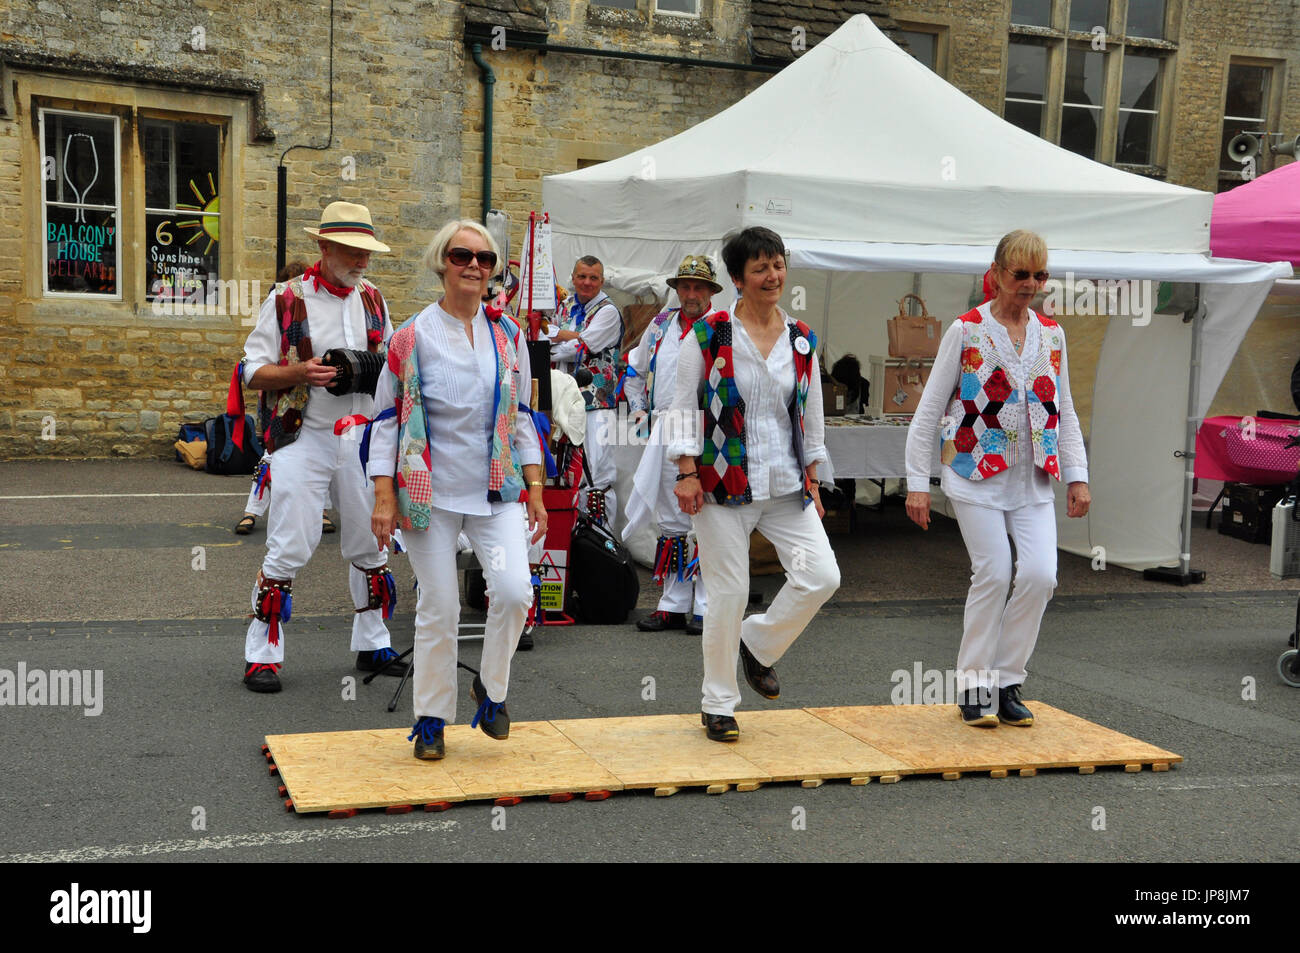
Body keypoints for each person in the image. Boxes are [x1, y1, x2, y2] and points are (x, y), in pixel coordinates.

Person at [368, 219, 547, 761]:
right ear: (441, 262)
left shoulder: (508, 335)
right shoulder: (409, 336)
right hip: (428, 495)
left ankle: (490, 692)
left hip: (495, 491)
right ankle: (431, 719)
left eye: (486, 259)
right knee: (441, 608)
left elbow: (520, 419)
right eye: (462, 255)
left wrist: (535, 486)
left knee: (516, 592)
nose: (474, 265)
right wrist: (383, 495)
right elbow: (384, 421)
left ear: (495, 270)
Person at [904, 229, 1090, 727]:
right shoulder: (965, 330)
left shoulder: (1053, 335)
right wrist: (917, 482)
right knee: (993, 572)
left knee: (1039, 575)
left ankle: (1008, 680)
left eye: (1039, 275)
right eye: (1020, 274)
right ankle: (973, 685)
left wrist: (1077, 475)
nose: (1030, 284)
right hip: (973, 475)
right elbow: (927, 411)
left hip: (1031, 480)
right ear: (997, 274)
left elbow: (1064, 408)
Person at [668, 227, 841, 742]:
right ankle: (718, 704)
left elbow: (809, 411)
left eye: (779, 264)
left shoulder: (802, 337)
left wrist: (813, 473)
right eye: (761, 267)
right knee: (729, 592)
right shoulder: (707, 334)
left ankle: (756, 644)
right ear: (739, 278)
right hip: (721, 482)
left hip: (786, 483)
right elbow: (681, 408)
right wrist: (685, 471)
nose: (773, 276)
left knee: (822, 577)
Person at [238, 201, 404, 693]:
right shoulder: (287, 298)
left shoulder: (373, 298)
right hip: (302, 435)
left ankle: (373, 640)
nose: (361, 262)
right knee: (291, 542)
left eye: (366, 253)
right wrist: (298, 372)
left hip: (361, 438)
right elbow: (251, 371)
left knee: (372, 542)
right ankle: (262, 653)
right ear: (324, 246)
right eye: (352, 252)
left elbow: (393, 367)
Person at [624, 254, 722, 635]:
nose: (692, 293)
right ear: (677, 290)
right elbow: (635, 368)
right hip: (666, 429)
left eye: (699, 287)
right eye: (685, 286)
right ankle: (672, 604)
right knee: (671, 517)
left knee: (706, 518)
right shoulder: (661, 324)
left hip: (708, 431)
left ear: (712, 291)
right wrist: (639, 413)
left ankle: (705, 607)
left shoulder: (721, 327)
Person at [234, 260, 338, 537]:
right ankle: (251, 512)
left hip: (322, 412)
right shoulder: (279, 302)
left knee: (327, 461)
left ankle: (322, 511)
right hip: (282, 405)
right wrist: (297, 373)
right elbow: (255, 367)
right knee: (270, 459)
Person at [551, 256, 624, 527]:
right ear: (573, 277)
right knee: (572, 471)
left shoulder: (608, 311)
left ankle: (602, 536)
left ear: (602, 281)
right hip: (567, 402)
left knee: (598, 471)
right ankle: (578, 536)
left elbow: (582, 347)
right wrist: (566, 338)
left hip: (597, 404)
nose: (587, 282)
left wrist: (559, 335)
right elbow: (550, 340)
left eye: (593, 278)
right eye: (582, 276)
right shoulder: (566, 305)